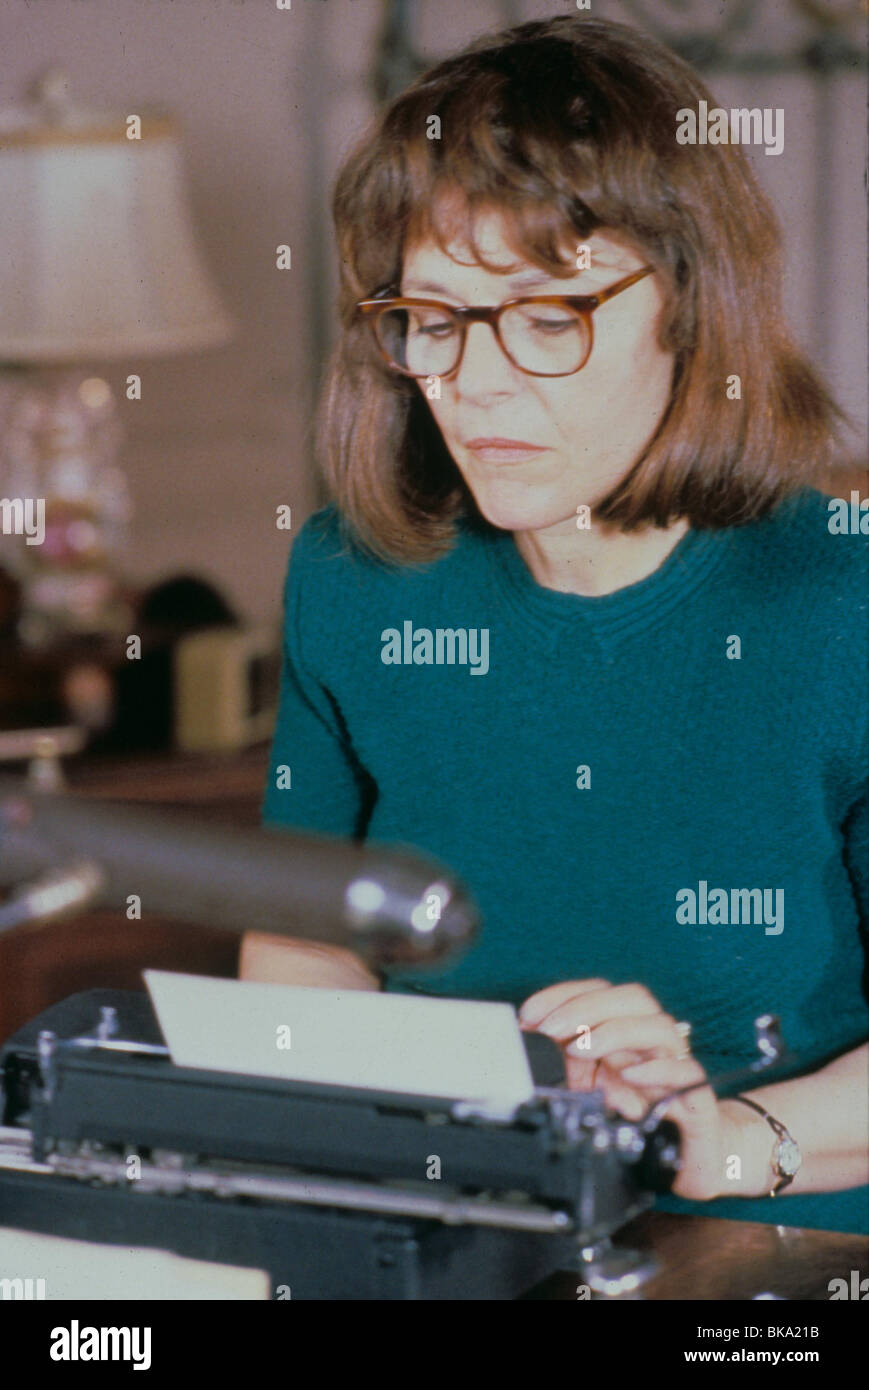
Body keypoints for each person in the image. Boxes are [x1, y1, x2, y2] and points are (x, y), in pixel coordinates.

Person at [241, 16, 868, 1234]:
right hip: (451, 1226)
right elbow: (309, 949)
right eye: (430, 315)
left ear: (689, 309)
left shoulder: (841, 600)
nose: (471, 385)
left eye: (545, 318)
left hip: (772, 1253)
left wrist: (717, 1141)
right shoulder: (350, 579)